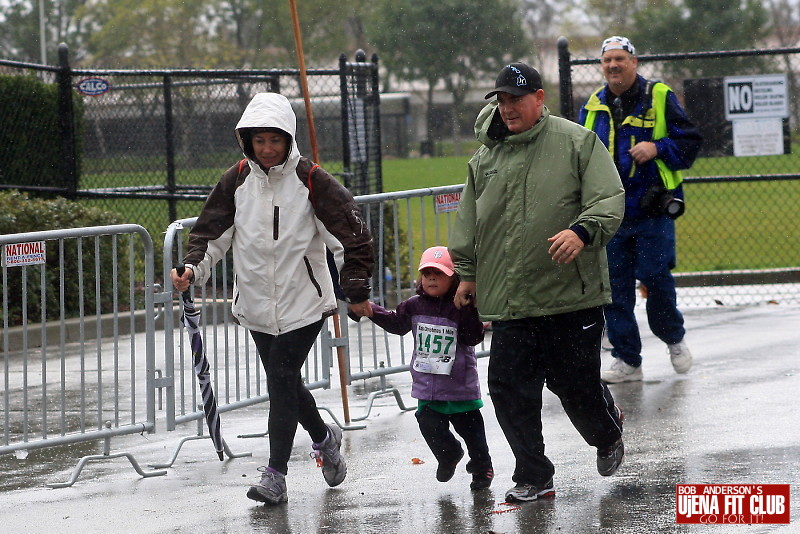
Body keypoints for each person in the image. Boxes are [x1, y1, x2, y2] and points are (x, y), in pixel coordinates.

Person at [170, 92, 374, 505]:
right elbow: (210, 235)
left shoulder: (313, 180)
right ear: (246, 141)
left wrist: (354, 290)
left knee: (280, 379)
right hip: (256, 305)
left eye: (275, 140)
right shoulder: (235, 180)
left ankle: (275, 474)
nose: (267, 149)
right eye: (259, 141)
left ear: (289, 139)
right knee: (286, 382)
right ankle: (324, 437)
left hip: (305, 303)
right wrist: (192, 269)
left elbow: (352, 240)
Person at [448, 62, 627, 503]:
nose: (508, 108)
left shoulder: (576, 142)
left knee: (574, 387)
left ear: (540, 98)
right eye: (502, 100)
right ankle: (533, 474)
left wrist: (581, 231)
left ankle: (606, 432)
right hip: (510, 299)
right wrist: (467, 273)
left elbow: (609, 198)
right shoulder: (485, 157)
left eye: (517, 99)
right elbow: (469, 220)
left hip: (570, 296)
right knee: (508, 388)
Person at [578, 36, 703, 383]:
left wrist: (657, 147)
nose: (613, 66)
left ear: (634, 62)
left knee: (656, 279)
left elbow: (690, 141)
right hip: (610, 215)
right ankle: (627, 359)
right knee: (614, 290)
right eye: (607, 61)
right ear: (601, 66)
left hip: (652, 211)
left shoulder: (659, 96)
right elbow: (578, 154)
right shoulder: (592, 105)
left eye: (619, 59)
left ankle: (674, 339)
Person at [356, 246, 494, 490]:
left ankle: (482, 467)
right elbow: (397, 324)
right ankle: (449, 454)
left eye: (439, 274)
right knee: (428, 423)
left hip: (459, 384)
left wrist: (470, 309)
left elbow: (473, 338)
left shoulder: (460, 305)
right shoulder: (414, 305)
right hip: (428, 386)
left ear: (455, 278)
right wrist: (372, 311)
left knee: (471, 430)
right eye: (427, 273)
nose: (431, 278)